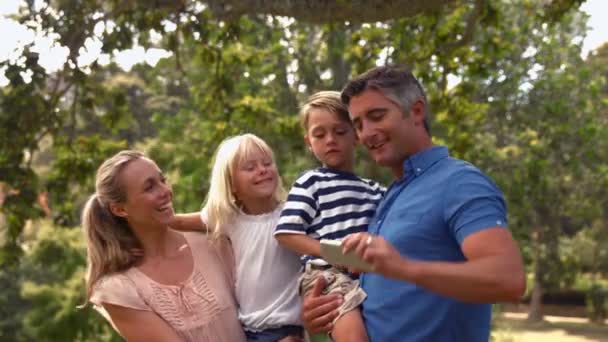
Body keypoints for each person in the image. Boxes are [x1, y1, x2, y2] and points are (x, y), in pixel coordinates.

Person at [302, 65, 526, 341]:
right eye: (358, 124)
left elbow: (508, 280)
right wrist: (325, 310)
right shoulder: (387, 196)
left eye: (377, 116)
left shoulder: (459, 182)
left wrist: (405, 268)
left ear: (417, 111)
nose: (366, 133)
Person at [82, 150, 245, 342]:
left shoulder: (213, 243)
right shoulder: (118, 290)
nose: (166, 191)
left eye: (162, 180)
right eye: (149, 188)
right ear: (119, 209)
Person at [170, 133, 304, 342]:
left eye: (267, 163)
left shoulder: (294, 214)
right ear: (231, 184)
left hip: (286, 330)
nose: (262, 170)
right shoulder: (229, 219)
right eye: (250, 168)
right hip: (248, 331)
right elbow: (177, 222)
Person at [274, 91, 384, 342]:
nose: (330, 140)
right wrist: (334, 253)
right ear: (308, 142)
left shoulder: (375, 190)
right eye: (319, 134)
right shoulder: (311, 182)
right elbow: (286, 233)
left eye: (340, 131)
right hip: (327, 274)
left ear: (356, 134)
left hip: (366, 273)